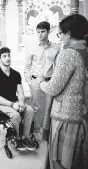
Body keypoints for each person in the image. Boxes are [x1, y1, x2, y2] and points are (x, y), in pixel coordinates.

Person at [38, 14, 88, 169]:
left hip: (65, 117)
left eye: (61, 33)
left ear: (69, 33)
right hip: (80, 114)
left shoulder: (68, 53)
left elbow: (53, 88)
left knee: (60, 162)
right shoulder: (85, 50)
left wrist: (41, 82)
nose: (60, 38)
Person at [0, 47, 36, 151]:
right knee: (16, 115)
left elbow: (20, 92)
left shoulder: (16, 74)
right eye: (4, 56)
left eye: (8, 55)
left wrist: (21, 102)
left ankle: (26, 137)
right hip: (0, 103)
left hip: (14, 100)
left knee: (30, 110)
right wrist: (12, 105)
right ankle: (17, 138)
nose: (7, 58)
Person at [24, 21, 60, 138]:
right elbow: (27, 67)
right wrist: (30, 82)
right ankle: (37, 131)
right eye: (38, 32)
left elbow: (58, 66)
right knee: (36, 107)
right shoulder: (32, 48)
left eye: (43, 32)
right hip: (35, 81)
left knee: (50, 107)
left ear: (48, 32)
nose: (40, 34)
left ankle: (47, 131)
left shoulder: (56, 48)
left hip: (50, 81)